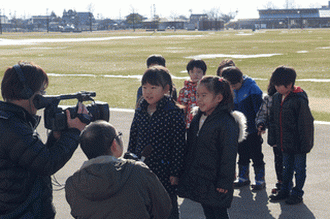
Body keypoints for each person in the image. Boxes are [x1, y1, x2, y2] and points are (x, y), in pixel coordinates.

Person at [0, 61, 87, 218]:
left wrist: (55, 138)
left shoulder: (12, 121)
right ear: (27, 92)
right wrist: (74, 131)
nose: (43, 97)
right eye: (41, 92)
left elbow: (33, 159)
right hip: (19, 212)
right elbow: (46, 163)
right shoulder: (12, 127)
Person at [65, 121, 172, 219]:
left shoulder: (72, 184)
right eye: (119, 135)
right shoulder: (137, 171)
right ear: (114, 145)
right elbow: (164, 209)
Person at [177, 76, 247, 219]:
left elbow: (229, 155)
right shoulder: (198, 117)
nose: (199, 99)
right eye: (197, 95)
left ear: (219, 98)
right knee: (208, 210)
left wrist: (224, 181)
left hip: (216, 179)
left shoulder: (226, 122)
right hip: (200, 176)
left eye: (204, 95)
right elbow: (191, 147)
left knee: (219, 212)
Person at [128, 66, 186, 219]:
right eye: (145, 87)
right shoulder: (141, 109)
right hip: (142, 167)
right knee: (145, 204)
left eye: (153, 87)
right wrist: (129, 159)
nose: (148, 92)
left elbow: (179, 145)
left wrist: (175, 172)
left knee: (168, 206)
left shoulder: (173, 112)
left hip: (164, 170)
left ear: (166, 89)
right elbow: (133, 137)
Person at [268, 66, 314, 205]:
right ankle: (285, 190)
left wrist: (305, 144)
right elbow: (273, 120)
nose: (276, 88)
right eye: (274, 84)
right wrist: (273, 140)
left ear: (289, 85)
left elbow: (305, 124)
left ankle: (297, 193)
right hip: (284, 142)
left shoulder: (299, 99)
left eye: (279, 85)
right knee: (286, 168)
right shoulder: (276, 98)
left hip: (299, 143)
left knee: (299, 169)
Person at [221, 66, 265, 191]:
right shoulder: (229, 90)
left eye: (235, 85)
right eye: (231, 85)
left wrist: (261, 124)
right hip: (238, 128)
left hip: (252, 128)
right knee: (242, 152)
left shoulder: (253, 89)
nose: (233, 87)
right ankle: (243, 177)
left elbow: (259, 109)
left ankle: (260, 179)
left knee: (256, 154)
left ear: (241, 79)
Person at [255, 82, 283, 194]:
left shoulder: (292, 97)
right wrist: (260, 124)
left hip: (289, 136)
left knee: (289, 162)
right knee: (278, 160)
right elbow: (262, 114)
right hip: (275, 135)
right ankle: (281, 183)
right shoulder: (269, 98)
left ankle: (289, 185)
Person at [177, 59, 207, 128]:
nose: (195, 75)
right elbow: (182, 108)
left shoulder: (208, 88)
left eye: (198, 72)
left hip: (205, 122)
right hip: (189, 123)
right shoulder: (185, 90)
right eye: (192, 72)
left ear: (204, 73)